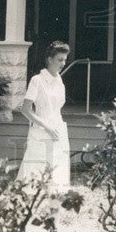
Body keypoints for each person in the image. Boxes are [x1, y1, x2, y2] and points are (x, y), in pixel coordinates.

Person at [16, 40, 71, 187]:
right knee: (36, 174)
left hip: (58, 130)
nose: (63, 63)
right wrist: (46, 126)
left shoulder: (60, 82)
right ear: (49, 59)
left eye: (65, 60)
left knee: (57, 174)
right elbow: (25, 109)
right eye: (60, 60)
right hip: (41, 131)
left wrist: (55, 127)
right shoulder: (37, 80)